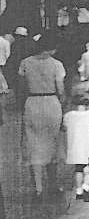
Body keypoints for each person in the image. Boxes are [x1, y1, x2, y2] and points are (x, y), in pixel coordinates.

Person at [17, 31, 65, 203]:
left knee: (34, 145)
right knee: (53, 143)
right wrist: (63, 104)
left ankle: (38, 188)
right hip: (51, 102)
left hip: (32, 102)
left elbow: (21, 87)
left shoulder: (25, 63)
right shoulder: (57, 64)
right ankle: (53, 184)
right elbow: (60, 89)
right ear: (52, 48)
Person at [63, 92, 89, 204]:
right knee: (87, 168)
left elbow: (64, 128)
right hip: (88, 144)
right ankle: (86, 187)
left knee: (78, 169)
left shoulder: (68, 115)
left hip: (76, 145)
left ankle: (78, 191)